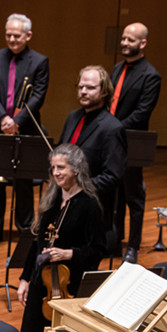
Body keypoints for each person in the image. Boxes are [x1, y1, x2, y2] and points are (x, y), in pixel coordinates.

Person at [3, 144, 107, 332]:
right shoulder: (50, 201)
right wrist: (25, 278)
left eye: (61, 168)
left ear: (76, 169)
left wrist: (68, 253)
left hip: (70, 287)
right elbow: (38, 244)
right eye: (53, 168)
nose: (56, 172)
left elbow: (99, 249)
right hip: (42, 283)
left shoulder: (89, 206)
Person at [0, 13, 50, 237]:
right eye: (8, 35)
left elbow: (38, 96)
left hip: (25, 127)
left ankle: (24, 229)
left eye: (16, 35)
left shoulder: (40, 61)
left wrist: (17, 121)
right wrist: (3, 118)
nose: (11, 39)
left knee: (23, 180)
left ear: (28, 35)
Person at [110, 23, 162, 264]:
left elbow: (142, 113)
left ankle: (133, 246)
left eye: (130, 40)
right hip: (111, 139)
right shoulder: (116, 68)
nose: (124, 43)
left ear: (142, 43)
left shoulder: (151, 75)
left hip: (132, 142)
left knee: (134, 196)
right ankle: (114, 240)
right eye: (123, 38)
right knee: (113, 193)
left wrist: (112, 127)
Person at [59, 65, 127, 230]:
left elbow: (112, 176)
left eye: (90, 88)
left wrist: (79, 187)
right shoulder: (73, 117)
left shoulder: (112, 128)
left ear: (104, 91)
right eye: (81, 87)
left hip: (91, 209)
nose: (83, 91)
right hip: (63, 202)